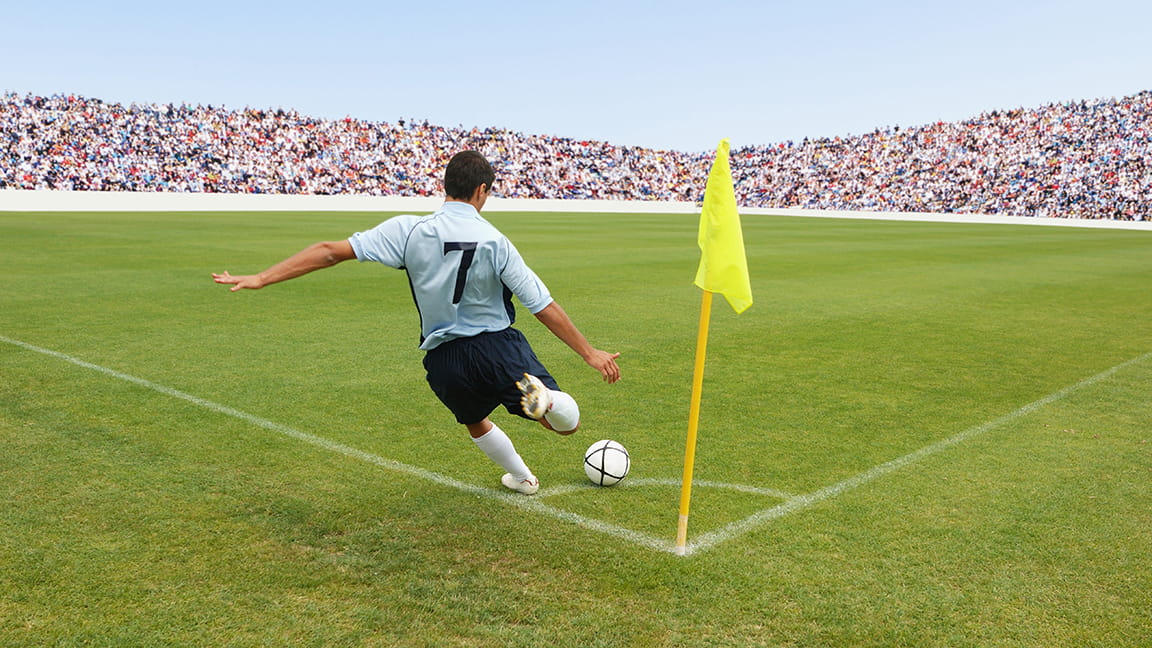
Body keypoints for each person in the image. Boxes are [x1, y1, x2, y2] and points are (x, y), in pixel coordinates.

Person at [212, 150, 621, 495]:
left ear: (446, 186)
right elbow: (541, 304)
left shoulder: (408, 230)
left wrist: (262, 277)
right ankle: (548, 401)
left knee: (474, 420)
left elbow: (329, 251)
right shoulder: (496, 240)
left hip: (445, 357)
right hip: (497, 346)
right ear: (482, 191)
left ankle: (522, 478)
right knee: (565, 425)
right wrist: (589, 353)